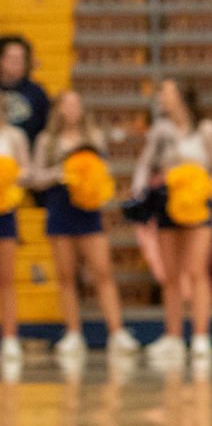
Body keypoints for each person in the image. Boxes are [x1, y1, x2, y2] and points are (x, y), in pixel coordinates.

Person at [30, 91, 139, 360]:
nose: (72, 109)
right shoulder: (47, 141)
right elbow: (35, 178)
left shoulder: (93, 137)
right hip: (59, 209)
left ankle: (116, 332)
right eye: (66, 104)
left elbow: (106, 173)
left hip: (89, 212)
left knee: (103, 273)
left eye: (77, 104)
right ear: (58, 109)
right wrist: (60, 173)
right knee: (66, 276)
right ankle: (73, 333)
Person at [131, 81, 212, 366]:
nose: (161, 96)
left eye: (166, 92)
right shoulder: (161, 132)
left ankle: (201, 336)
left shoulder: (207, 130)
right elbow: (145, 164)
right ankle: (173, 337)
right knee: (171, 273)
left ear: (181, 97)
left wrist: (208, 189)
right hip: (168, 204)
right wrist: (140, 193)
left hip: (198, 207)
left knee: (196, 270)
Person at [0, 98, 30, 367]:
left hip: (5, 212)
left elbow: (26, 170)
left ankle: (10, 337)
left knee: (7, 278)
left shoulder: (15, 135)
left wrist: (11, 180)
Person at [0, 35, 50, 145]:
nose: (16, 62)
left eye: (21, 58)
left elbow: (46, 128)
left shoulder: (37, 93)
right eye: (11, 57)